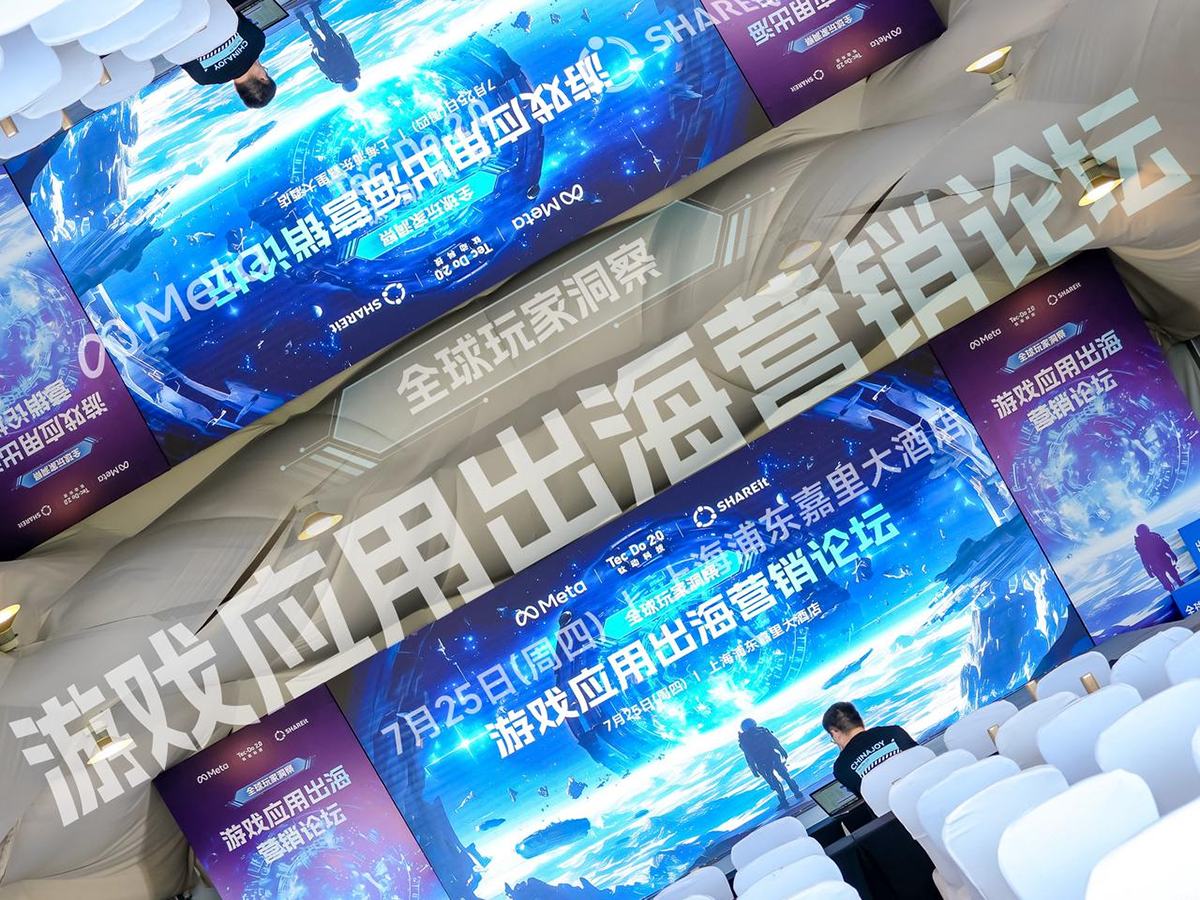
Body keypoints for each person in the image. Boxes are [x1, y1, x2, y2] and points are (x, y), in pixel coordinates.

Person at [181, 5, 277, 108]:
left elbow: (231, 10)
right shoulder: (203, 78)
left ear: (263, 78)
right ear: (236, 88)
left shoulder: (257, 41)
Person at [823, 702, 917, 799]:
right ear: (860, 720)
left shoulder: (841, 768)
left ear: (835, 732)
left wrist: (844, 755)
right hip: (924, 790)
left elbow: (868, 799)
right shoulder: (894, 731)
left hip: (896, 806)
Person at [295, 1, 361, 91]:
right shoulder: (335, 78)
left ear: (354, 81)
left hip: (336, 46)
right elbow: (323, 67)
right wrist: (315, 57)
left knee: (325, 28)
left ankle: (314, 10)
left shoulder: (354, 70)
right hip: (326, 53)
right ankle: (301, 17)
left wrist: (344, 39)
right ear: (344, 85)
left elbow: (349, 52)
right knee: (312, 34)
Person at [738, 718, 803, 809]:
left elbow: (749, 756)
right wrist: (782, 750)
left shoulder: (744, 740)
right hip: (773, 757)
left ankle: (783, 800)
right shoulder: (762, 731)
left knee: (774, 782)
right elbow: (775, 742)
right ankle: (797, 792)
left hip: (762, 763)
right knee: (785, 776)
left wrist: (753, 768)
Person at [1135, 523, 1185, 594]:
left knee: (1173, 576)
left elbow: (1164, 546)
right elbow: (1144, 557)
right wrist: (1148, 569)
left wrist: (1171, 553)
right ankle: (1174, 589)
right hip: (1157, 563)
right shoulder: (1144, 542)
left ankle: (1177, 586)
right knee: (1167, 580)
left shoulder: (1153, 537)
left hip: (1161, 561)